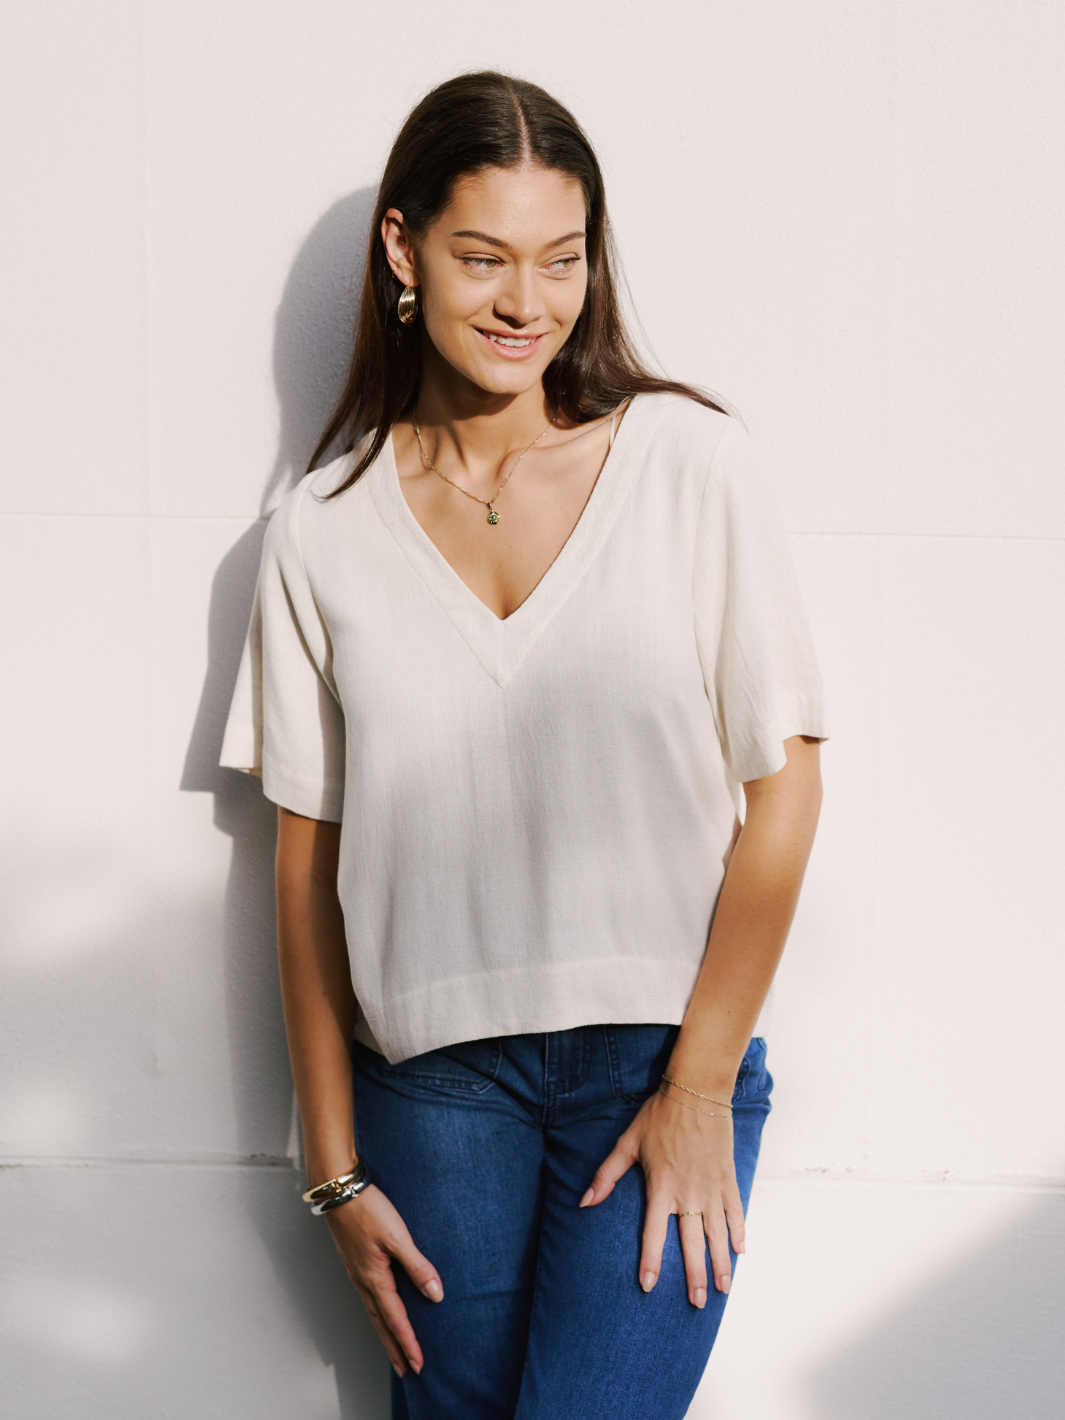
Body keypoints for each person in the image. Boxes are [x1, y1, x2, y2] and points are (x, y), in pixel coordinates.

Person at [221, 70, 827, 1420]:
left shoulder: (689, 467)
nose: (525, 301)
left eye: (562, 259)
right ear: (402, 249)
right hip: (433, 1095)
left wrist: (699, 1090)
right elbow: (305, 869)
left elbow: (785, 792)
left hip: (659, 1063)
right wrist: (331, 1170)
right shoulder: (320, 530)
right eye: (483, 256)